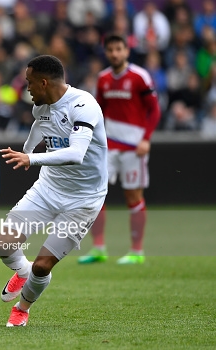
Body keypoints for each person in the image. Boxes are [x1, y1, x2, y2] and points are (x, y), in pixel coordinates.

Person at [0, 55, 107, 327]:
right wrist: (28, 149)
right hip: (48, 188)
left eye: (30, 83)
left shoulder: (84, 106)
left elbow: (77, 153)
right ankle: (22, 272)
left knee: (42, 266)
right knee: (4, 245)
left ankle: (22, 308)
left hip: (83, 199)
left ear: (44, 83)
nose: (27, 89)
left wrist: (31, 160)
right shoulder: (41, 106)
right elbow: (40, 126)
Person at [78, 34, 160, 265]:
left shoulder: (139, 77)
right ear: (106, 52)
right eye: (110, 50)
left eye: (119, 49)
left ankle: (136, 250)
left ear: (126, 51)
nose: (115, 53)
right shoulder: (103, 79)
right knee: (95, 195)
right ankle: (99, 248)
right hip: (107, 148)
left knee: (132, 197)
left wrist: (146, 139)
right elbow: (98, 112)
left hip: (134, 148)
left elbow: (154, 110)